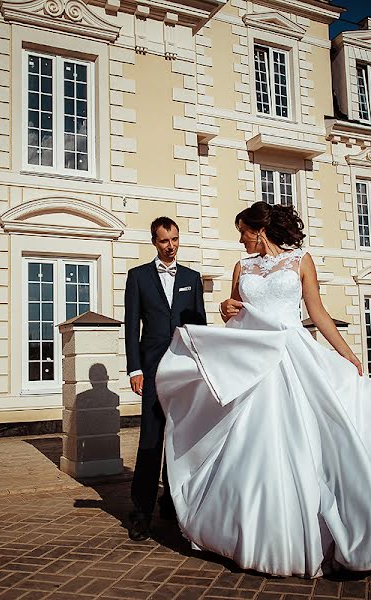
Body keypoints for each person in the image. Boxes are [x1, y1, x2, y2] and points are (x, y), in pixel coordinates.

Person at [155, 202, 371, 578]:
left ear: (258, 230)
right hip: (255, 358)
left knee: (316, 436)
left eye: (242, 231)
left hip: (294, 354)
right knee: (250, 442)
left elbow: (317, 312)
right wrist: (225, 307)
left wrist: (348, 354)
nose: (239, 238)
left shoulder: (301, 261)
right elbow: (234, 310)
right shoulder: (242, 267)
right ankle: (256, 532)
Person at [124, 217, 207, 541]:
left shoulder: (192, 278)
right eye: (164, 241)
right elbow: (132, 326)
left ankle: (173, 503)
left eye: (174, 239)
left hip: (185, 369)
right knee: (151, 440)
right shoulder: (138, 277)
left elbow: (198, 326)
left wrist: (203, 368)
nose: (170, 246)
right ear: (154, 242)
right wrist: (135, 369)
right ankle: (141, 512)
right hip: (153, 369)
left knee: (182, 439)